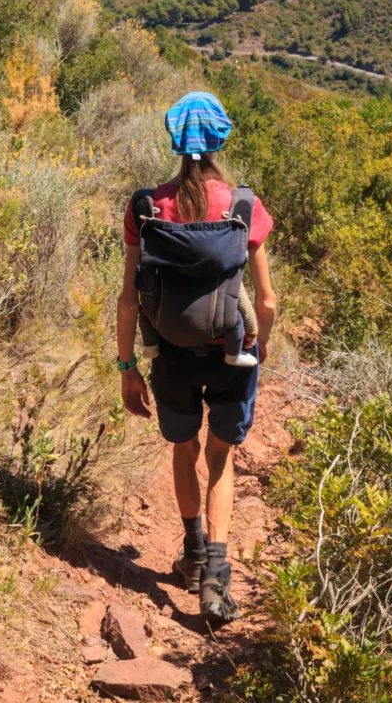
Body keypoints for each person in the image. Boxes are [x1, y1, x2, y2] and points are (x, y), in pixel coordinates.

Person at [117, 91, 276, 623]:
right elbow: (268, 301)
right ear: (220, 140)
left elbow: (127, 297)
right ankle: (216, 576)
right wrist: (261, 347)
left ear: (174, 140)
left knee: (183, 453)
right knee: (220, 460)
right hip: (230, 354)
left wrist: (127, 368)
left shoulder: (146, 207)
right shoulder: (242, 206)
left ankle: (191, 551)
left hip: (171, 357)